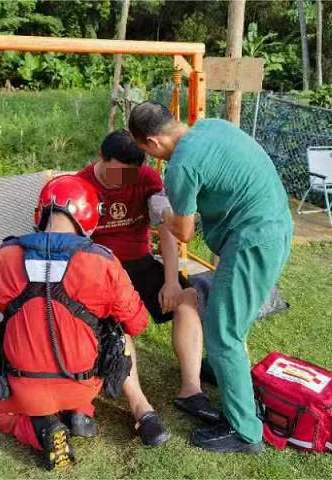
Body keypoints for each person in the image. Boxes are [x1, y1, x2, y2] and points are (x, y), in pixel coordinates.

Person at [128, 102, 293, 454]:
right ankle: (234, 387)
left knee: (223, 333)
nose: (150, 157)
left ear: (153, 142)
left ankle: (245, 432)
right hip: (275, 225)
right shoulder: (212, 127)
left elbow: (184, 232)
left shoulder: (181, 167)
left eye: (145, 150)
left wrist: (163, 212)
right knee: (228, 326)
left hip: (251, 240)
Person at [0, 175, 168, 470]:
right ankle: (80, 412)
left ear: (40, 212)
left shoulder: (6, 255)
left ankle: (42, 430)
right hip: (84, 384)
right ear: (89, 218)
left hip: (22, 390)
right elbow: (137, 323)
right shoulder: (103, 261)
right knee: (116, 330)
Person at [76, 131, 221, 426]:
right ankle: (140, 403)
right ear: (101, 158)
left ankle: (191, 390)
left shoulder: (140, 178)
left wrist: (170, 281)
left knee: (187, 297)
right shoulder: (82, 185)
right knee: (116, 321)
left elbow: (166, 229)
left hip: (140, 262)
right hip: (102, 269)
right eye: (117, 171)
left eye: (130, 173)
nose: (123, 179)